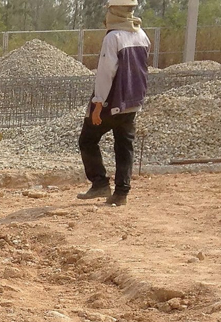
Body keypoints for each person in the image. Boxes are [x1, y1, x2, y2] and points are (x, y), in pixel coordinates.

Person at [77, 0, 150, 207]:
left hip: (113, 100)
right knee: (124, 145)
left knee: (87, 140)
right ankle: (121, 193)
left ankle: (100, 182)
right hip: (133, 100)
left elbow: (105, 74)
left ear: (114, 11)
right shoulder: (142, 35)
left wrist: (98, 103)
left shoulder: (113, 38)